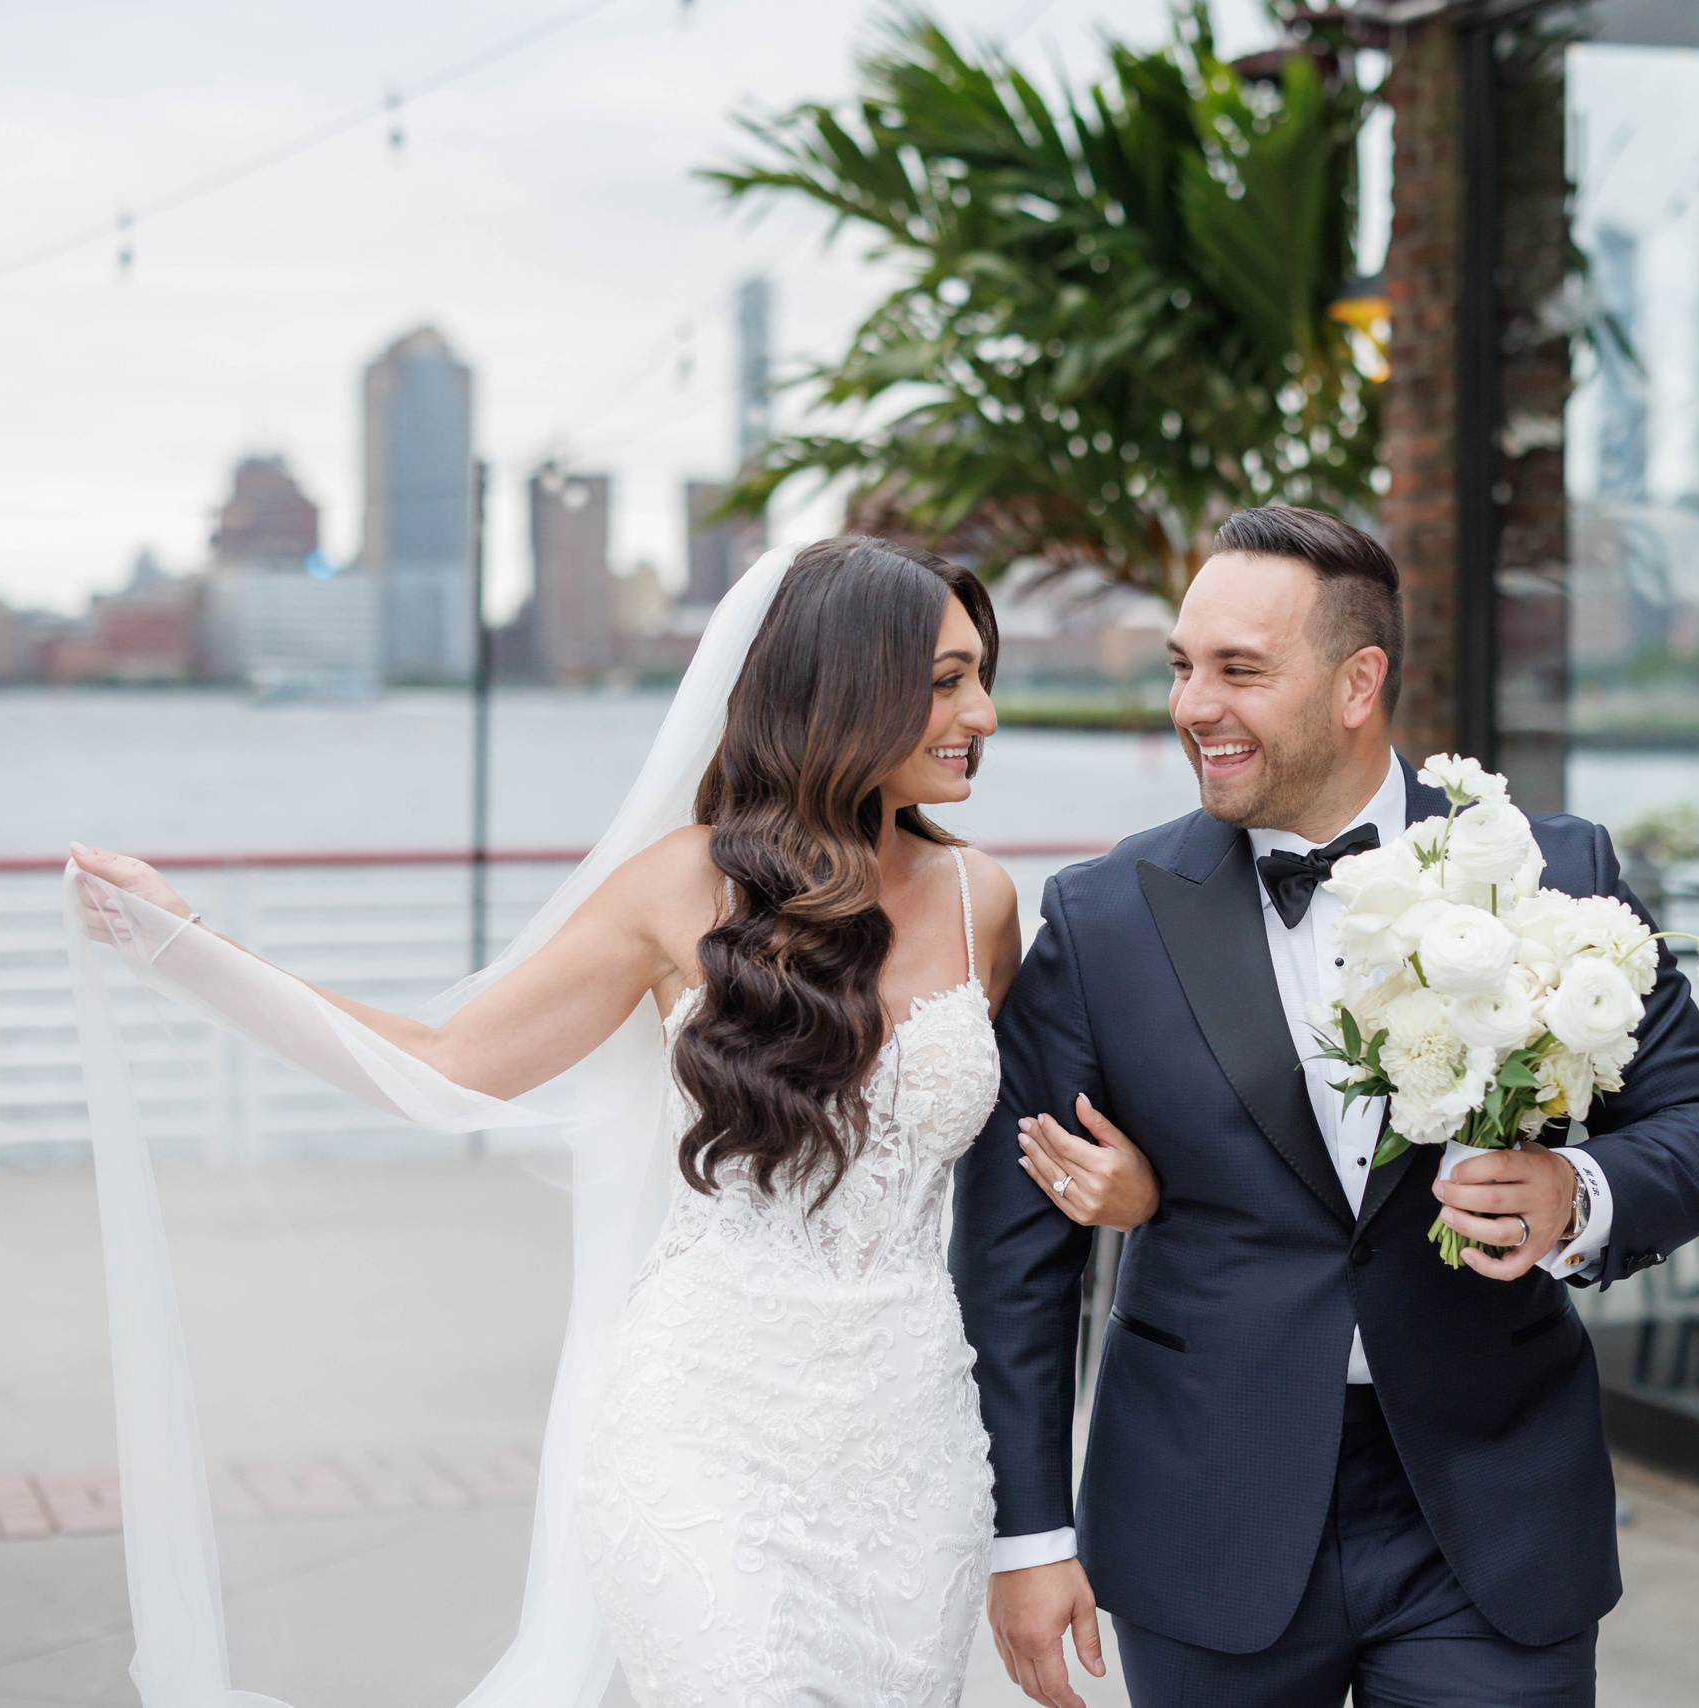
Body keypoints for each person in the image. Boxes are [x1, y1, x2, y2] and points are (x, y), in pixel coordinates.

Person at [66, 536, 1161, 1707]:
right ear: (846, 683)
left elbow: (1013, 1172)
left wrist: (1132, 1200)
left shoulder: (978, 897)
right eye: (947, 680)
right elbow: (446, 1062)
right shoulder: (678, 887)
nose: (984, 711)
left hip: (913, 1449)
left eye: (979, 674)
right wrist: (192, 948)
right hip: (704, 1428)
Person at [955, 505, 1699, 1708]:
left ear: (1356, 682)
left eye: (1238, 670)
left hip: (1487, 1512)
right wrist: (1028, 1537)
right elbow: (1016, 1260)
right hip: (1204, 1505)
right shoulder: (1102, 916)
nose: (1190, 705)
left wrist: (1575, 1193)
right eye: (1182, 667)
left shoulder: (1547, 871)